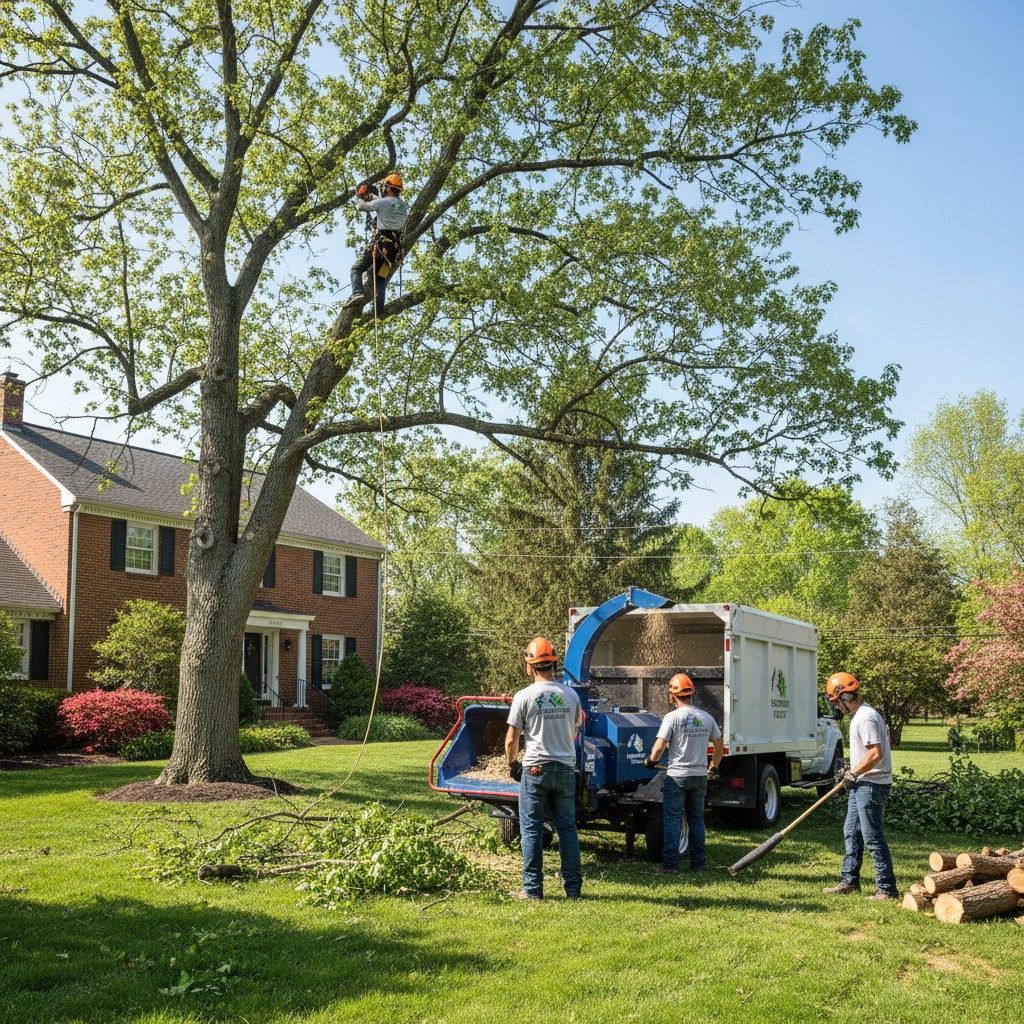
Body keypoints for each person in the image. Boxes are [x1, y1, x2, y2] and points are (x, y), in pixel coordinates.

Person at [504, 636, 583, 901]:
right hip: (564, 769)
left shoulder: (523, 696)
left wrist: (512, 763)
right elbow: (575, 730)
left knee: (531, 829)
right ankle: (573, 890)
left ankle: (533, 890)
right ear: (554, 664)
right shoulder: (571, 695)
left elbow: (511, 740)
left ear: (530, 665)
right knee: (567, 830)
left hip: (535, 769)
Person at [821, 671, 899, 901]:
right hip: (862, 783)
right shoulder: (860, 716)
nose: (837, 707)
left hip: (872, 785)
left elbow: (876, 754)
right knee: (851, 832)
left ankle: (887, 888)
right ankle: (849, 881)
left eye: (836, 702)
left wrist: (854, 773)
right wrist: (850, 772)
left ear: (845, 696)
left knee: (873, 837)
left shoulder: (866, 717)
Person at [644, 672, 723, 873]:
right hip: (699, 777)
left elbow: (659, 747)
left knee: (672, 819)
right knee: (696, 819)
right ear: (692, 694)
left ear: (672, 695)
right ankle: (699, 864)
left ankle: (671, 866)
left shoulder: (672, 718)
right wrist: (713, 765)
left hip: (677, 777)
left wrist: (651, 761)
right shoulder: (706, 718)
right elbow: (719, 746)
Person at [345, 172, 408, 316]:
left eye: (385, 187)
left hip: (380, 246)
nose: (383, 189)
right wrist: (372, 196)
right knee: (380, 281)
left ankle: (357, 293)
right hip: (392, 252)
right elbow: (386, 205)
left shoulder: (382, 203)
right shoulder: (402, 206)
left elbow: (363, 207)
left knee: (356, 269)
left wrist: (360, 197)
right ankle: (378, 312)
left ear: (388, 187)